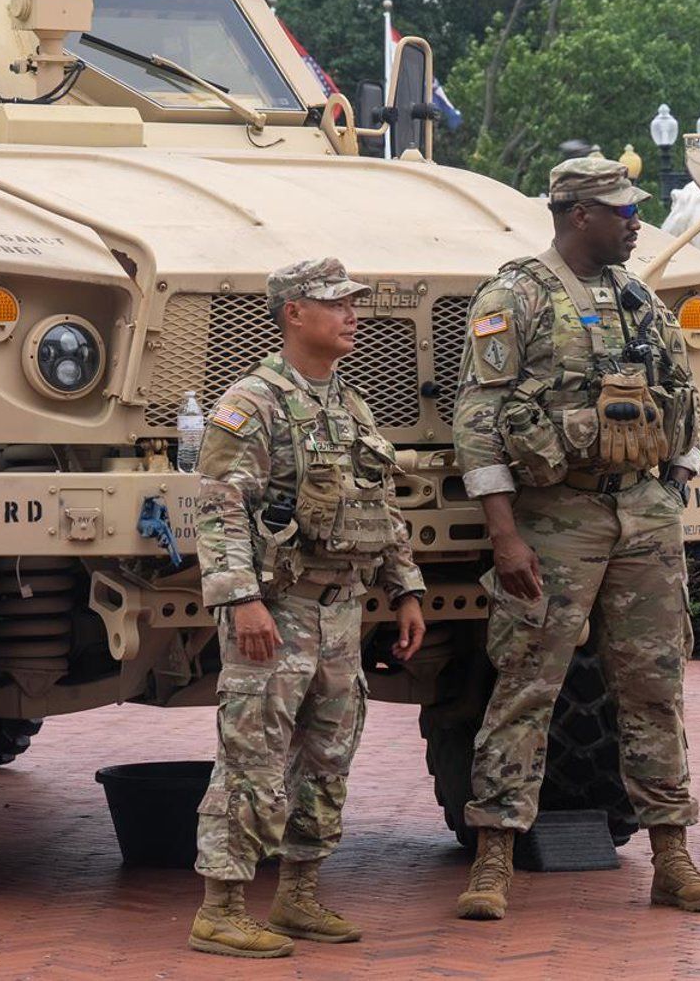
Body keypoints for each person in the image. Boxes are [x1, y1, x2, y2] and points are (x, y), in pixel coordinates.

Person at [450, 154, 700, 921]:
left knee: (655, 688)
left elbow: (682, 399)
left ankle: (672, 857)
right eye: (623, 211)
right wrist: (505, 536)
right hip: (557, 517)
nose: (637, 223)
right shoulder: (515, 297)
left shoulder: (640, 300)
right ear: (580, 214)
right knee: (525, 686)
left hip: (643, 515)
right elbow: (479, 423)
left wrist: (671, 488)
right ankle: (494, 860)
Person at [188, 257, 427, 959]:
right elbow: (220, 509)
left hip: (341, 612)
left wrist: (406, 587)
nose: (352, 314)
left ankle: (297, 895)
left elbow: (380, 504)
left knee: (327, 757)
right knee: (253, 758)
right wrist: (242, 600)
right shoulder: (251, 403)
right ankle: (220, 910)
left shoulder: (349, 403)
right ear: (294, 312)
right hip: (278, 608)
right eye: (336, 303)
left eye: (353, 302)